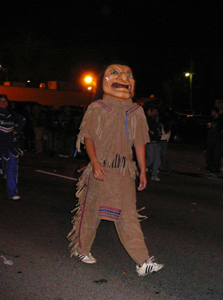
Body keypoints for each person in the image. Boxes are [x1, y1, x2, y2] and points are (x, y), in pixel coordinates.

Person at [67, 64, 164, 276]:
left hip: (124, 171)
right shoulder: (98, 108)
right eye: (115, 73)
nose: (124, 77)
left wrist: (143, 171)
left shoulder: (136, 111)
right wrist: (94, 162)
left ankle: (143, 261)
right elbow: (88, 137)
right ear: (105, 81)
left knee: (127, 213)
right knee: (92, 210)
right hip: (101, 167)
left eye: (129, 74)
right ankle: (82, 249)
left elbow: (140, 142)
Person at [205, 107, 223, 177]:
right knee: (209, 156)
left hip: (217, 141)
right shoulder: (210, 119)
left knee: (216, 157)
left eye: (213, 111)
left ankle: (216, 170)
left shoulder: (220, 120)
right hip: (210, 140)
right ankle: (210, 169)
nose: (211, 113)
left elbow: (222, 130)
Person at [146, 108, 162, 181]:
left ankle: (154, 175)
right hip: (151, 142)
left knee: (157, 159)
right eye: (154, 111)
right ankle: (139, 167)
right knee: (150, 159)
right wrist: (149, 116)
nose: (155, 112)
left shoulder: (157, 120)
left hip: (157, 142)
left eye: (156, 111)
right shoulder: (149, 120)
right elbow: (148, 126)